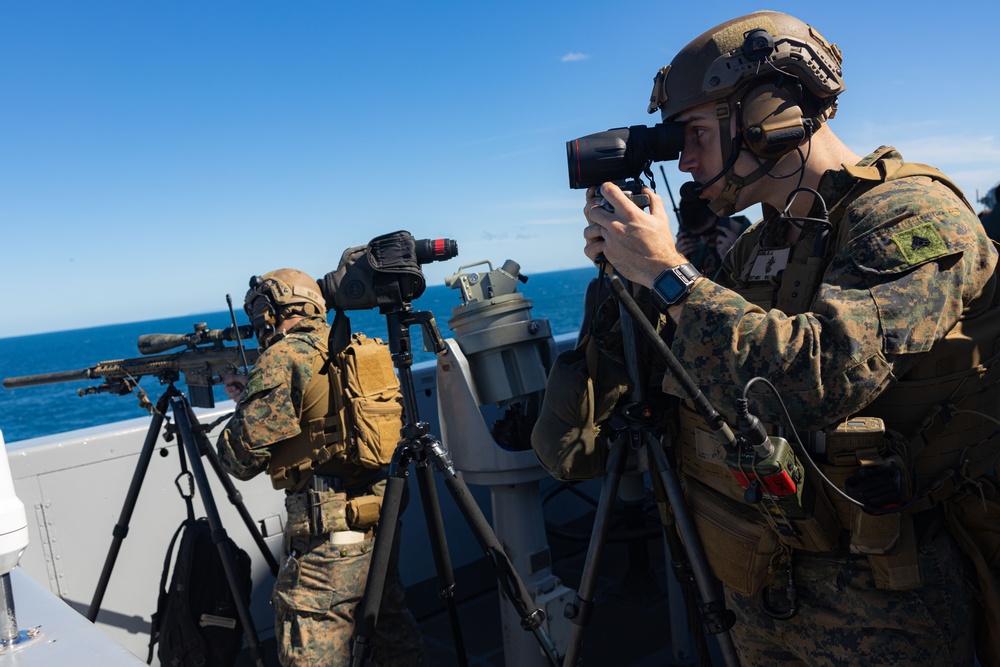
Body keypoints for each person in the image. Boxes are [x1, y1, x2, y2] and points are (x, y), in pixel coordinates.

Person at [546, 10, 1000, 666]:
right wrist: (633, 278)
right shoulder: (761, 245)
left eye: (698, 132)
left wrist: (668, 275)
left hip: (882, 600)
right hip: (760, 580)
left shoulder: (911, 216)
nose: (689, 159)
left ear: (772, 113)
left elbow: (822, 377)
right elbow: (675, 389)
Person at [216, 268, 426, 667]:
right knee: (390, 633)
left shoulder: (283, 356)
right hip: (378, 523)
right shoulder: (354, 345)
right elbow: (323, 411)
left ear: (269, 311)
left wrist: (245, 405)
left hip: (326, 542)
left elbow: (239, 460)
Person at [674, 194, 752, 277]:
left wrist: (734, 260)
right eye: (697, 235)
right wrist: (677, 262)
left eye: (709, 232)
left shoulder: (756, 240)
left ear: (721, 215)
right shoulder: (694, 247)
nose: (704, 240)